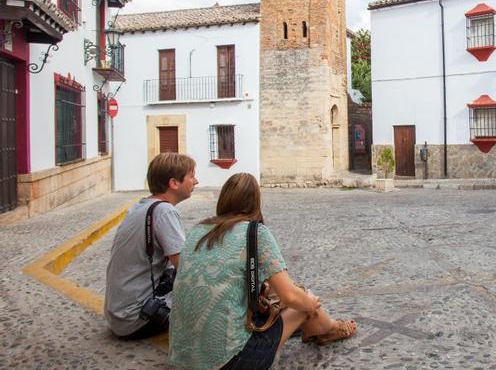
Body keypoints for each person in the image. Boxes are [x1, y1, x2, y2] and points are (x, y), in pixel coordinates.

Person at [169, 173, 357, 370]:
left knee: (279, 294)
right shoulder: (255, 233)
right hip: (230, 362)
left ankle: (322, 327)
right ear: (256, 201)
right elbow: (291, 296)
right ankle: (328, 328)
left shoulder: (199, 230)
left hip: (181, 357)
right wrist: (312, 304)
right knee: (304, 299)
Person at [104, 153, 198, 338]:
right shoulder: (164, 211)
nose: (196, 181)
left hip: (118, 315)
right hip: (138, 318)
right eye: (191, 176)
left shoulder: (142, 207)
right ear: (174, 183)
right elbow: (187, 268)